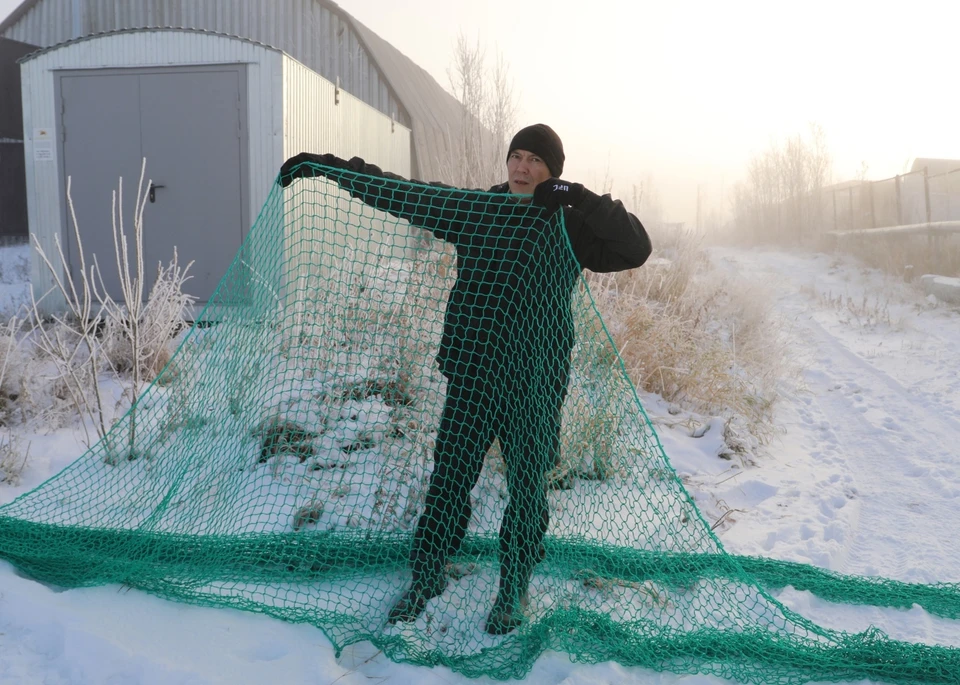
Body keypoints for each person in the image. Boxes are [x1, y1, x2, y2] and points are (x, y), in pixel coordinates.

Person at [279, 124, 652, 635]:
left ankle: (513, 588)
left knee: (527, 488)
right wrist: (328, 166)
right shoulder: (479, 210)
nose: (522, 167)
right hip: (473, 371)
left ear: (552, 173)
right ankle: (428, 574)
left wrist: (580, 197)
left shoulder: (570, 223)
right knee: (450, 478)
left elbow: (636, 248)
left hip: (534, 381)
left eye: (535, 161)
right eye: (516, 157)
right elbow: (401, 193)